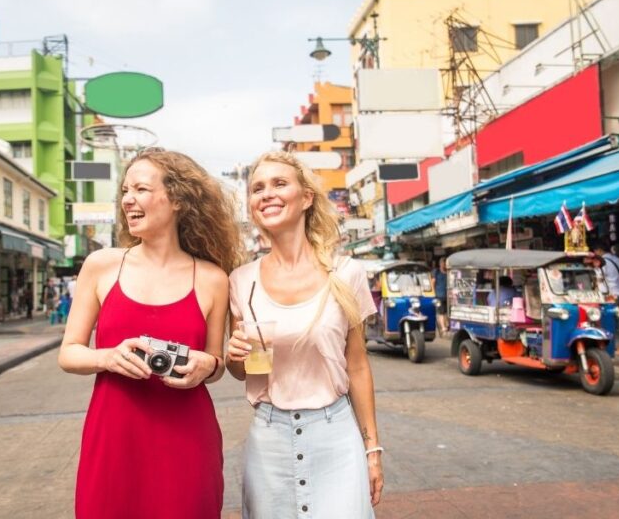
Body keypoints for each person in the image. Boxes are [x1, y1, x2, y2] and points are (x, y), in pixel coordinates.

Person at [58, 148, 242, 519]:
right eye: (125, 190)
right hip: (113, 439)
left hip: (188, 439)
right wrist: (107, 357)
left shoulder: (212, 278)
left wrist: (208, 363)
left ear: (176, 199)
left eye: (141, 189)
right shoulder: (101, 265)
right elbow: (69, 353)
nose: (128, 199)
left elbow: (217, 364)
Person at [227, 152, 383, 518]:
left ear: (306, 197)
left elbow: (358, 367)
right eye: (257, 188)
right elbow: (246, 371)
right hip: (269, 439)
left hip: (336, 436)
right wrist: (236, 357)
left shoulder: (346, 273)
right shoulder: (241, 281)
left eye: (280, 184)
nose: (267, 194)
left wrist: (372, 450)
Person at [434, 257, 449, 336]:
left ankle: (446, 326)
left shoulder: (448, 272)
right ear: (440, 264)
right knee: (440, 312)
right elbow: (433, 282)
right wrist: (433, 294)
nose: (445, 264)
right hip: (439, 295)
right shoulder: (436, 272)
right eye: (444, 263)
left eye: (445, 263)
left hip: (447, 296)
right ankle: (443, 328)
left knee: (446, 312)